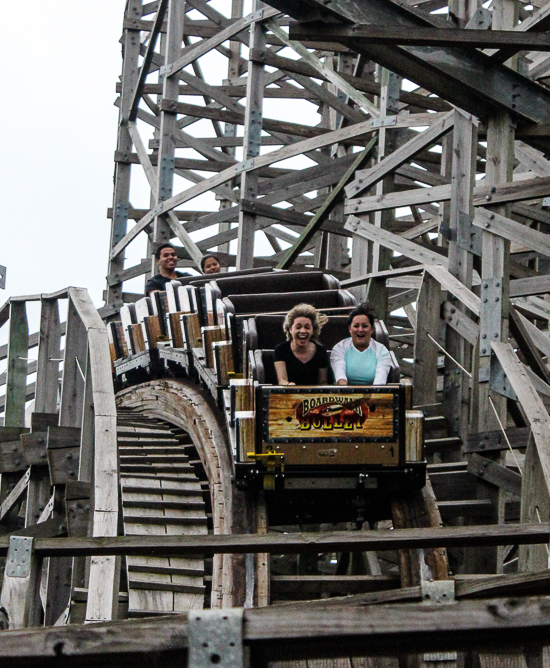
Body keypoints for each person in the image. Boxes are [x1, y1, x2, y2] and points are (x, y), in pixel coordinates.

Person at [331, 304, 392, 385]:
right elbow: (340, 374)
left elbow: (380, 379)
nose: (360, 330)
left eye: (365, 326)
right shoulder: (340, 348)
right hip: (344, 395)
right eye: (356, 326)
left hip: (373, 394)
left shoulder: (381, 350)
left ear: (372, 329)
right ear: (350, 329)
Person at [274, 304, 329, 386]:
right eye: (298, 327)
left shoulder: (321, 351)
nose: (303, 331)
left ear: (313, 330)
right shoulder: (281, 350)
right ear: (290, 329)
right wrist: (290, 386)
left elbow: (322, 382)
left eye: (307, 327)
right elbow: (282, 380)